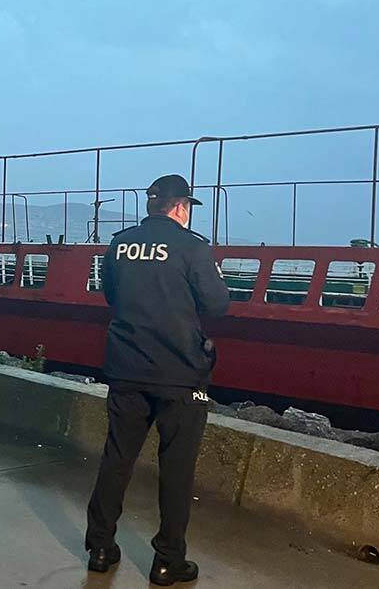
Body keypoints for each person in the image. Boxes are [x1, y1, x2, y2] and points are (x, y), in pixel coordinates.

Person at [85, 174, 230, 585]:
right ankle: (168, 561)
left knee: (117, 458)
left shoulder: (120, 244)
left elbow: (111, 296)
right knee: (177, 469)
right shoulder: (193, 247)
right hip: (179, 375)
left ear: (152, 205)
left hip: (126, 368)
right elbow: (217, 304)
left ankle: (100, 547)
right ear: (181, 207)